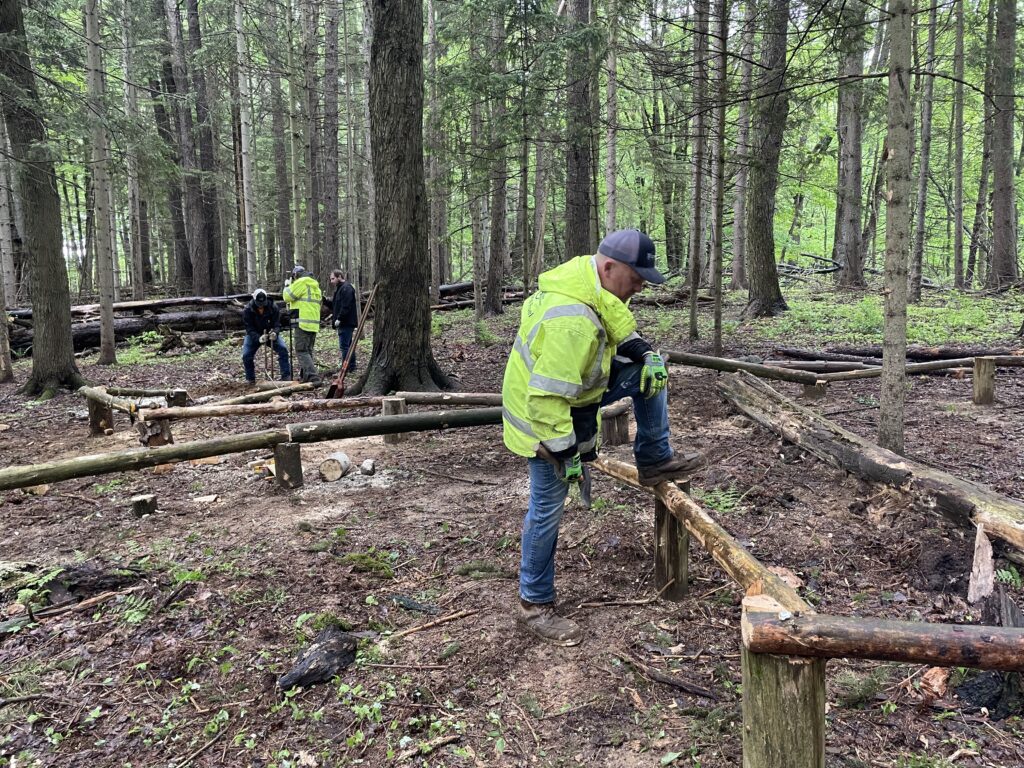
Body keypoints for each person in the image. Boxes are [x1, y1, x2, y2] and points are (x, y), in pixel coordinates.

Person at [501, 229, 704, 646]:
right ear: (610, 267)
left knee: (652, 372)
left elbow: (612, 317)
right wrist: (566, 452)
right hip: (542, 421)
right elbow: (546, 399)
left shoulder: (586, 278)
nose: (641, 287)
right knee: (547, 507)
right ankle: (533, 603)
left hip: (573, 393)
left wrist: (643, 352)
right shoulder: (572, 322)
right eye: (636, 278)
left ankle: (654, 457)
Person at [282, 265, 323, 384]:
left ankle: (313, 377)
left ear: (295, 275)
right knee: (308, 351)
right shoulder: (315, 285)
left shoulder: (301, 282)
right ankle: (305, 377)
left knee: (301, 351)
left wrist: (287, 286)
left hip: (303, 322)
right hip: (313, 323)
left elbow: (287, 297)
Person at [241, 289, 291, 383]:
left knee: (283, 349)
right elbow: (249, 328)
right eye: (259, 304)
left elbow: (277, 324)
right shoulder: (248, 310)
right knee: (246, 355)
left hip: (269, 334)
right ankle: (250, 379)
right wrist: (258, 338)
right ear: (254, 300)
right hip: (254, 335)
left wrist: (275, 333)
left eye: (263, 303)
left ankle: (286, 376)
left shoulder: (273, 307)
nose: (261, 306)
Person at [328, 269, 358, 369]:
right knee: (348, 345)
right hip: (344, 322)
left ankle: (346, 367)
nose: (331, 281)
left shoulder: (346, 288)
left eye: (333, 278)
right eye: (331, 279)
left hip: (346, 322)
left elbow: (346, 306)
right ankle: (351, 366)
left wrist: (339, 318)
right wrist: (325, 301)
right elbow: (335, 305)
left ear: (339, 277)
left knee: (345, 346)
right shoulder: (340, 289)